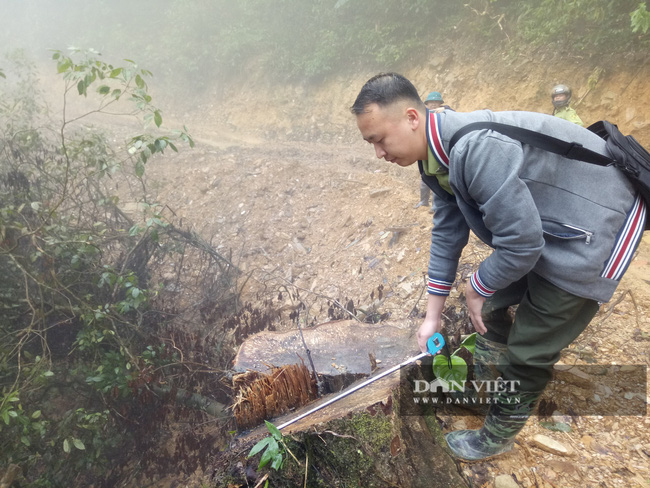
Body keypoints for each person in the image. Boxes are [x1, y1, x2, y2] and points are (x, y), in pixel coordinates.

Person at [351, 73, 645, 462]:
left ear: (410, 117)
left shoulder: (476, 149)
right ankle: (491, 390)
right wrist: (431, 317)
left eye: (378, 140)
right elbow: (447, 235)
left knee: (529, 347)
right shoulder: (437, 158)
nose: (378, 154)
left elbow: (522, 244)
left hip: (599, 230)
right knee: (490, 308)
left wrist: (478, 283)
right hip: (547, 226)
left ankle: (497, 436)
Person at [415, 91, 455, 211]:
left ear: (440, 103)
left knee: (440, 178)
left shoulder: (446, 112)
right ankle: (423, 201)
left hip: (440, 150)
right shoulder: (424, 114)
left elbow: (454, 116)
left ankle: (436, 206)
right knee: (425, 178)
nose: (432, 104)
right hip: (427, 150)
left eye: (435, 102)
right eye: (430, 102)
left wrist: (445, 110)